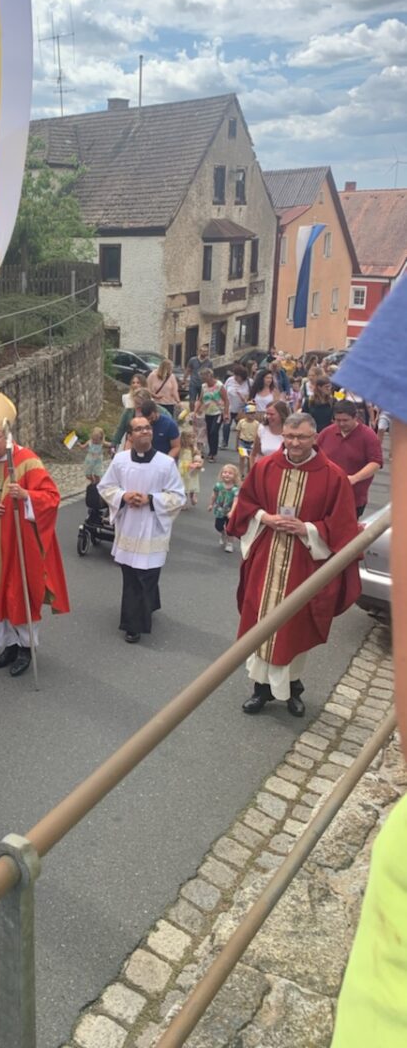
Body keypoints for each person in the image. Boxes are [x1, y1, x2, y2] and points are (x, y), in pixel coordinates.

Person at [328, 280, 407, 1046]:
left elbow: (370, 468)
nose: (346, 424)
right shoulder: (323, 439)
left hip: (339, 515)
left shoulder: (364, 445)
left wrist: (345, 490)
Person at [226, 412, 360, 716]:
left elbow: (343, 526)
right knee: (261, 621)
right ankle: (260, 690)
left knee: (294, 626)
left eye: (301, 437)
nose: (294, 443)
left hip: (304, 563)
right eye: (289, 436)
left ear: (314, 437)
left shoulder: (333, 475)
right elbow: (246, 504)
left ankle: (292, 690)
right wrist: (265, 517)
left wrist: (308, 529)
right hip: (267, 558)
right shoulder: (265, 466)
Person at [0, 390, 69, 677]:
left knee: (20, 593)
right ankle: (8, 645)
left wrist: (27, 495)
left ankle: (25, 648)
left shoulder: (28, 461)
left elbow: (51, 497)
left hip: (21, 544)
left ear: (6, 436)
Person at [97, 415, 186, 642]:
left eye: (147, 428)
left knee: (147, 573)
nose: (145, 431)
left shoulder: (165, 463)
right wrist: (123, 496)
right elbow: (105, 487)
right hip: (129, 525)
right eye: (138, 429)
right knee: (131, 575)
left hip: (153, 526)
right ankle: (138, 616)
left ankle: (136, 623)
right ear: (130, 436)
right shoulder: (120, 460)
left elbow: (178, 497)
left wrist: (151, 499)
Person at [316, 399, 384, 518]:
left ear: (355, 417)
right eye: (338, 420)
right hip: (326, 495)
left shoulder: (368, 435)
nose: (341, 424)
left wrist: (354, 478)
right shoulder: (327, 432)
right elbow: (315, 453)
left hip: (353, 497)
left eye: (345, 420)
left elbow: (375, 463)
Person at [194, 368, 228, 462]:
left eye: (204, 377)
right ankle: (211, 450)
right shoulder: (204, 386)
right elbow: (200, 400)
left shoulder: (219, 385)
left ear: (210, 376)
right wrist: (195, 411)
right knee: (209, 432)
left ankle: (213, 453)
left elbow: (226, 400)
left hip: (218, 412)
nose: (203, 379)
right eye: (202, 377)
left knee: (214, 431)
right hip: (208, 412)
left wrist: (226, 413)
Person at [209, 463, 241, 552]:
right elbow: (214, 495)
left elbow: (236, 501)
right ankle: (223, 533)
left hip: (230, 511)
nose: (227, 474)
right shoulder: (218, 485)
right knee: (218, 526)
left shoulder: (235, 489)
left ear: (235, 476)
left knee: (230, 528)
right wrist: (211, 504)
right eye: (225, 472)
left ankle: (230, 543)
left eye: (230, 473)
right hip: (220, 510)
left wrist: (232, 511)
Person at [222, 364, 251, 448]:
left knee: (242, 427)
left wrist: (245, 400)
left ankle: (240, 444)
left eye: (238, 376)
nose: (235, 378)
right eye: (235, 375)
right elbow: (224, 391)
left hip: (242, 409)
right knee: (226, 425)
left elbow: (252, 394)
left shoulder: (249, 382)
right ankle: (224, 442)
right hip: (230, 407)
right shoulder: (230, 380)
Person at [111, 387, 148, 451]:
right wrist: (114, 444)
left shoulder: (151, 412)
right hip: (130, 441)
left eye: (139, 403)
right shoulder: (128, 411)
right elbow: (121, 428)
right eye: (135, 402)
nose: (137, 405)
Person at [177, 426, 203, 508]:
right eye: (191, 438)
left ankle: (192, 495)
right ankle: (184, 501)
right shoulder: (180, 448)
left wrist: (198, 463)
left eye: (194, 437)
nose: (193, 439)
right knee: (184, 484)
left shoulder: (193, 448)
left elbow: (199, 457)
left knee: (191, 483)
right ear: (185, 439)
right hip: (183, 468)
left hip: (191, 469)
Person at [236, 404, 261, 475]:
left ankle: (248, 473)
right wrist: (237, 444)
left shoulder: (257, 423)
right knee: (242, 457)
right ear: (246, 414)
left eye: (253, 413)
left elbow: (258, 435)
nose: (252, 415)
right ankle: (241, 473)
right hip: (242, 442)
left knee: (250, 458)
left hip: (252, 443)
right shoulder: (241, 422)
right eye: (250, 413)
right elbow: (238, 433)